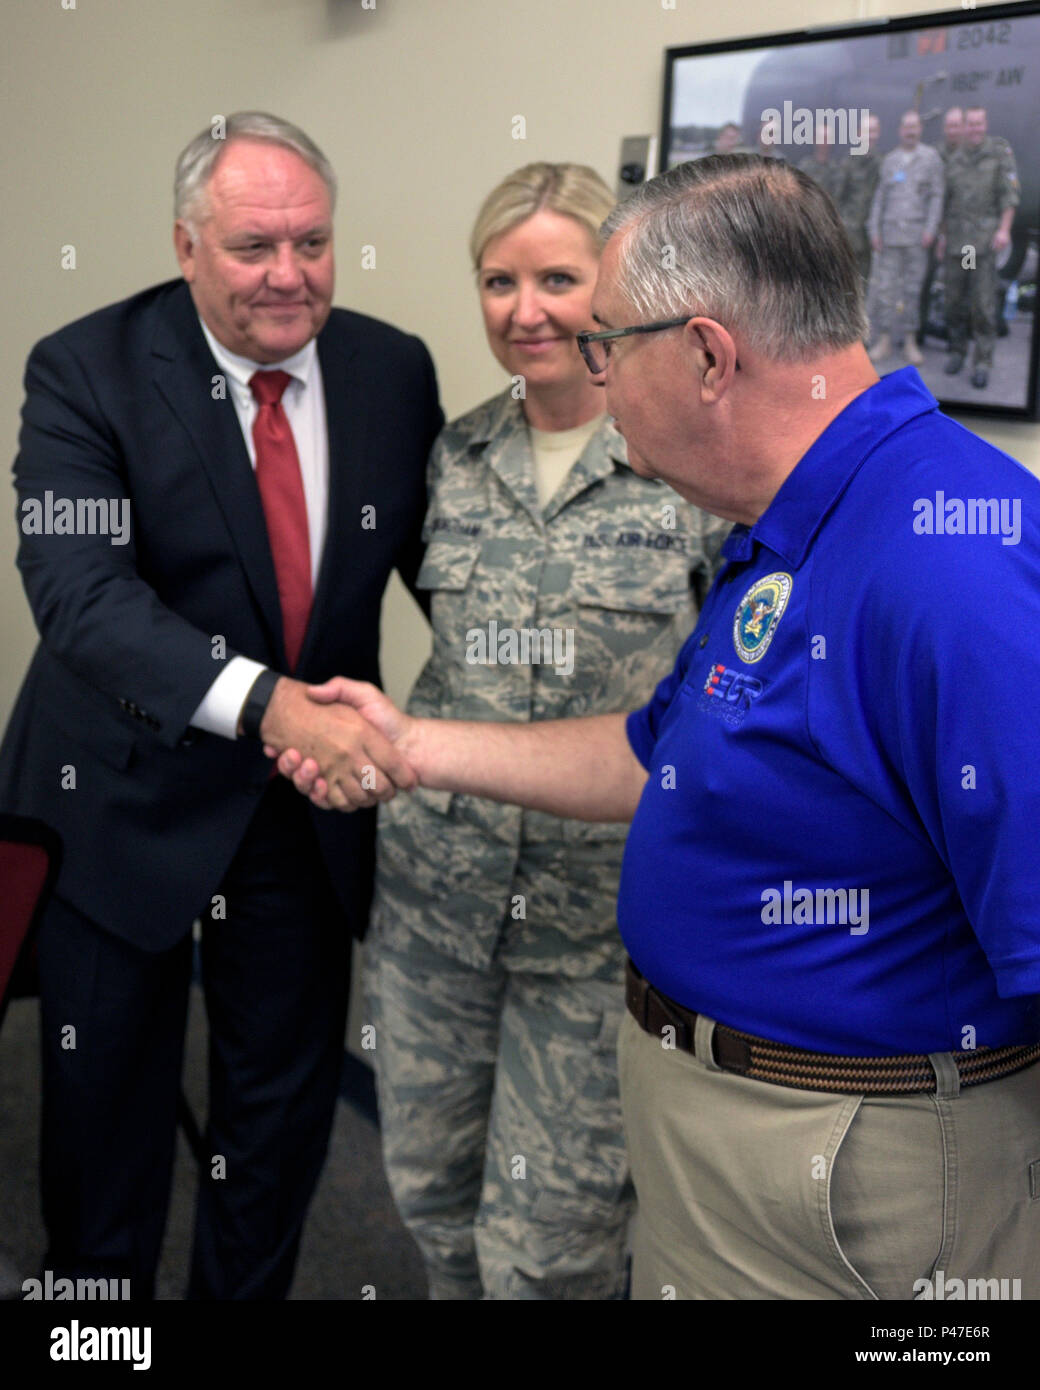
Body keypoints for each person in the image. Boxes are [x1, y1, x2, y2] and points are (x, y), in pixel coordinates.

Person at [275, 154, 1040, 1301]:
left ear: (703, 354)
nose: (589, 371)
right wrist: (415, 744)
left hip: (846, 1175)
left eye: (603, 342)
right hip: (721, 1138)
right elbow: (656, 749)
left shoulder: (946, 565)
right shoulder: (787, 520)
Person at [0, 112, 442, 1300]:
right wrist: (272, 707)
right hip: (119, 801)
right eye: (253, 247)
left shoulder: (390, 369)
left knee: (278, 1121)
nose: (287, 276)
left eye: (312, 242)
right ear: (187, 244)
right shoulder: (84, 366)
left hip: (300, 818)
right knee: (104, 1128)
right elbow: (82, 599)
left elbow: (447, 566)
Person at [356, 162, 727, 1300]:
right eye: (497, 280)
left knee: (546, 1256)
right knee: (426, 1196)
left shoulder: (687, 472)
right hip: (435, 911)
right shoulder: (446, 459)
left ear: (611, 290)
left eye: (558, 278)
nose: (526, 311)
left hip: (597, 934)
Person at [939, 106, 1019, 389]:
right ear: (965, 127)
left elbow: (1009, 196)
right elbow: (946, 203)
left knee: (982, 305)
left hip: (981, 246)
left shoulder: (997, 154)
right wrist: (942, 236)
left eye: (978, 123)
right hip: (957, 245)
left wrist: (1004, 230)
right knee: (953, 303)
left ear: (984, 124)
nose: (974, 128)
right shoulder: (955, 159)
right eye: (969, 124)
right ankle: (958, 351)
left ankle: (982, 361)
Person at [866, 110, 943, 367]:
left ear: (920, 129)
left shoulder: (930, 158)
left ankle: (910, 341)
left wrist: (931, 228)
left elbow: (936, 196)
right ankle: (884, 339)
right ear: (900, 130)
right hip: (889, 237)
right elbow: (879, 198)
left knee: (912, 290)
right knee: (886, 290)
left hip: (916, 237)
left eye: (914, 127)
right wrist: (874, 230)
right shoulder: (890, 160)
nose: (910, 131)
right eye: (906, 127)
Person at [917, 107, 963, 347]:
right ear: (945, 128)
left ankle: (957, 341)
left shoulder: (971, 155)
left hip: (966, 239)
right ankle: (920, 332)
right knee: (924, 282)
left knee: (961, 283)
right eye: (950, 126)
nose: (953, 130)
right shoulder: (934, 156)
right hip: (936, 232)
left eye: (957, 125)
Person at [834, 114, 881, 287]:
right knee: (844, 285)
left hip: (870, 237)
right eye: (867, 131)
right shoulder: (848, 163)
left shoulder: (881, 164)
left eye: (874, 131)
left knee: (865, 286)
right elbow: (837, 200)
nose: (870, 135)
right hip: (849, 236)